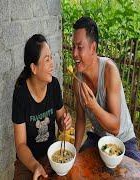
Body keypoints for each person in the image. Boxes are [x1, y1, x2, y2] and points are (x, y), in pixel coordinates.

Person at [72, 16, 140, 162]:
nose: (74, 53)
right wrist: (75, 154)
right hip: (99, 137)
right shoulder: (77, 80)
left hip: (123, 141)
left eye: (79, 47)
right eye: (73, 47)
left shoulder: (109, 71)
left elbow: (115, 127)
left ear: (93, 48)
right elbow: (80, 119)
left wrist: (93, 106)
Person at [12, 34, 72, 180]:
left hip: (52, 155)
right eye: (47, 59)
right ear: (34, 68)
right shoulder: (21, 94)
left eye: (51, 57)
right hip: (27, 161)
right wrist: (34, 165)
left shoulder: (54, 86)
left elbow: (61, 120)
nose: (52, 63)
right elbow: (20, 145)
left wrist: (65, 123)